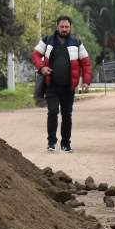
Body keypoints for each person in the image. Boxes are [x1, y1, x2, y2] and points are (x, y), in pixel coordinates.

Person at [32, 15, 92, 152]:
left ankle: (66, 144)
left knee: (67, 115)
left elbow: (86, 64)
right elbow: (35, 55)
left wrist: (86, 82)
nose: (64, 29)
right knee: (52, 112)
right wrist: (42, 67)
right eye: (62, 27)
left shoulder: (77, 43)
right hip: (51, 85)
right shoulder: (47, 41)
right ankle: (51, 142)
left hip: (69, 87)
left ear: (70, 28)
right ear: (57, 27)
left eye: (66, 27)